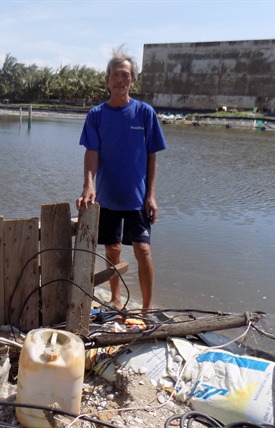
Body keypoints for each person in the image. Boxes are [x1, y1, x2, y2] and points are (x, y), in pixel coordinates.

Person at [76, 50, 167, 312]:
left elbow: (152, 156)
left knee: (143, 250)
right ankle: (116, 299)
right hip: (108, 197)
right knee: (113, 249)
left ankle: (147, 310)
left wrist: (151, 195)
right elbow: (91, 153)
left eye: (125, 75)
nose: (120, 80)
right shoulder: (96, 115)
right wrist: (88, 186)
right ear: (107, 80)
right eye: (115, 75)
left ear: (133, 81)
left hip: (137, 198)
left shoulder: (145, 113)